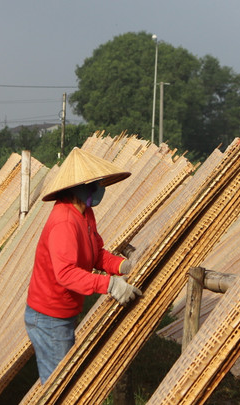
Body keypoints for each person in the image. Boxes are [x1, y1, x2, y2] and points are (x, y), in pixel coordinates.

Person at [24, 147, 142, 383]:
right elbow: (66, 274)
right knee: (58, 388)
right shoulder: (64, 222)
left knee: (61, 382)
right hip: (49, 317)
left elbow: (96, 255)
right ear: (79, 187)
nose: (99, 188)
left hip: (64, 313)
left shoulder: (85, 214)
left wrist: (122, 267)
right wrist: (110, 285)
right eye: (94, 184)